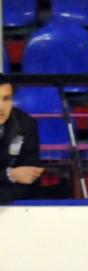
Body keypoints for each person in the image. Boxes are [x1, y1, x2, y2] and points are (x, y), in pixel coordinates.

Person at [0, 73, 44, 204]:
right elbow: (17, 175)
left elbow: (29, 176)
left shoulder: (26, 124)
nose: (1, 107)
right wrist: (10, 174)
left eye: (6, 99)